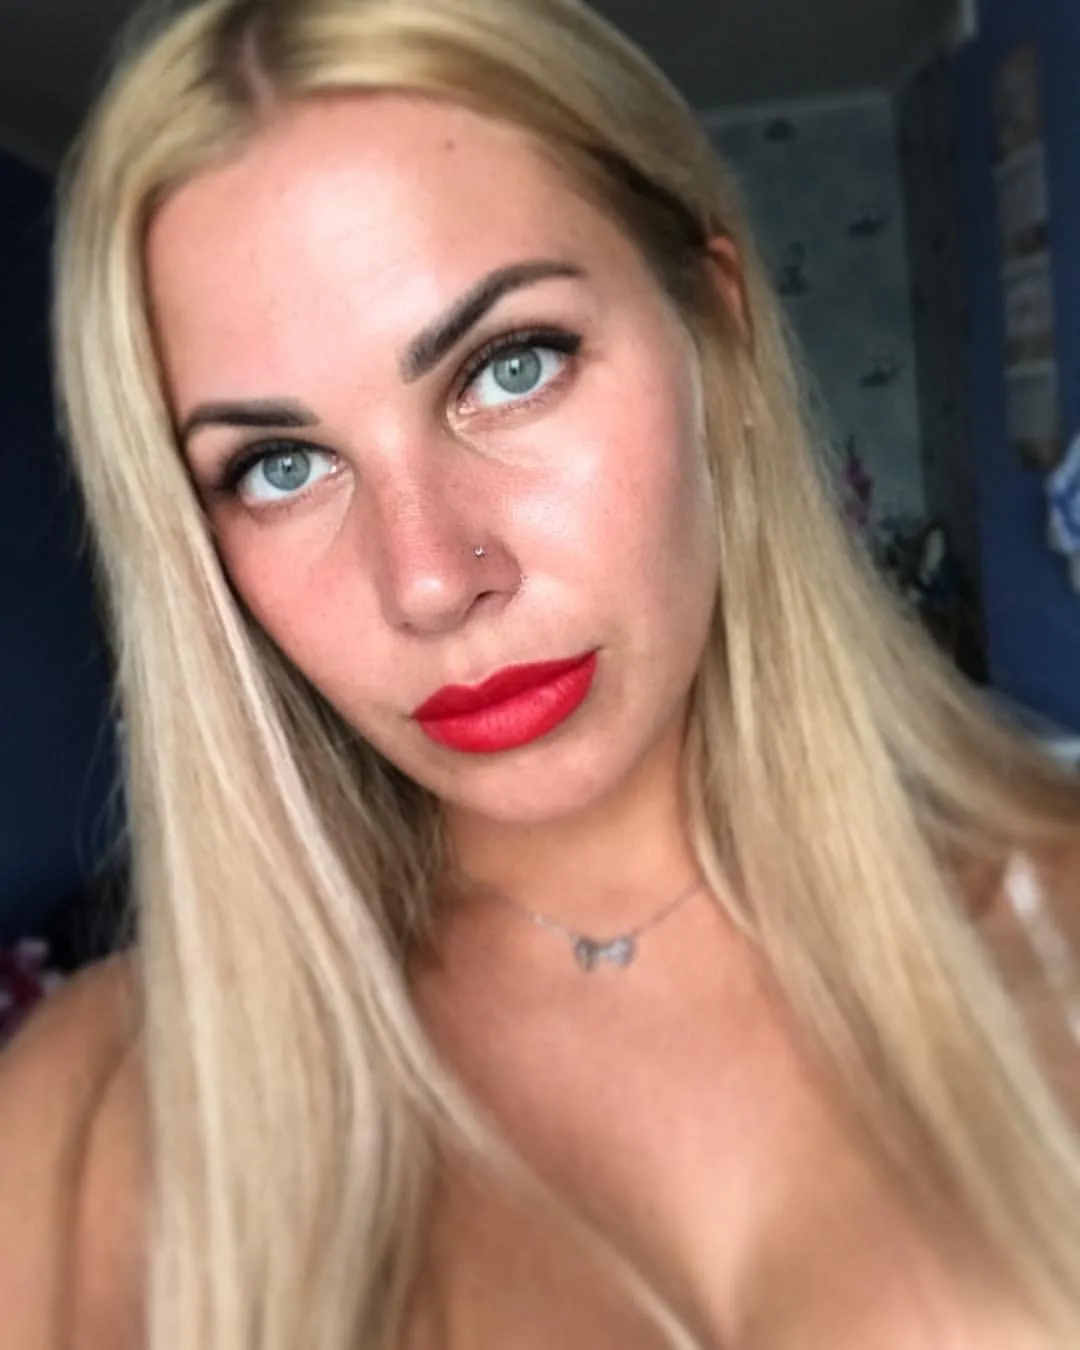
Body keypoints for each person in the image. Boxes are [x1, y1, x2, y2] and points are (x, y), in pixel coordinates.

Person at [2, 0, 1079, 1345]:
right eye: (280, 467)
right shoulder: (79, 1139)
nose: (430, 579)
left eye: (510, 367)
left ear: (720, 331)